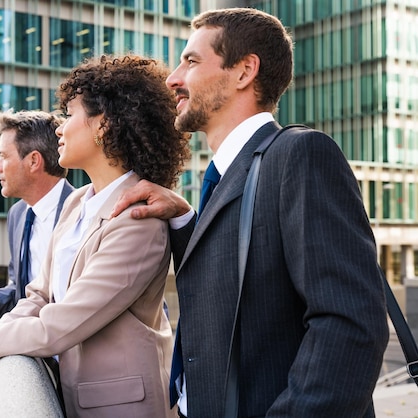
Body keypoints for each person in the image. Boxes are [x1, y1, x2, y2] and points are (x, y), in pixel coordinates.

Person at [110, 8, 389, 418]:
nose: (173, 78)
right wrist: (188, 219)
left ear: (244, 72)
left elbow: (350, 325)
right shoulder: (227, 176)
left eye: (191, 61)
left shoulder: (300, 155)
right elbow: (247, 285)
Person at [0, 54, 191, 417]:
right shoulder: (76, 202)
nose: (59, 129)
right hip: (68, 394)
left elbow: (58, 326)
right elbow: (37, 297)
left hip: (120, 408)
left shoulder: (139, 220)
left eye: (70, 114)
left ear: (104, 125)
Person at [0, 109, 74, 402]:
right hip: (40, 366)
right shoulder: (18, 215)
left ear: (33, 161)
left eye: (4, 156)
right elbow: (22, 291)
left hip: (86, 371)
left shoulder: (87, 210)